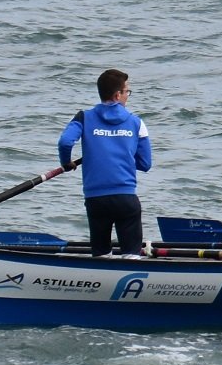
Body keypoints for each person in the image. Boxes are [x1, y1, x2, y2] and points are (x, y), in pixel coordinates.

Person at [57, 68, 153, 257]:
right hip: (125, 198)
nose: (128, 96)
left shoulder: (83, 117)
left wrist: (67, 163)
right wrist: (122, 158)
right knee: (131, 255)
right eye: (127, 92)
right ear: (118, 95)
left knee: (101, 255)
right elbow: (145, 163)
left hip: (96, 200)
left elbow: (65, 141)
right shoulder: (136, 122)